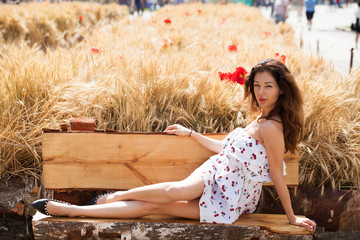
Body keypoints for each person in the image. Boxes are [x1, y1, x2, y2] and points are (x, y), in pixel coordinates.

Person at [32, 59, 317, 232]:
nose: (261, 92)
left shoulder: (271, 127)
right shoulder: (261, 118)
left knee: (148, 207)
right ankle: (106, 200)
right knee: (174, 190)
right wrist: (191, 133)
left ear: (281, 88)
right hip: (216, 173)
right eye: (256, 85)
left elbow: (278, 176)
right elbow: (228, 151)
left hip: (230, 200)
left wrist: (291, 217)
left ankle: (77, 211)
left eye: (268, 86)